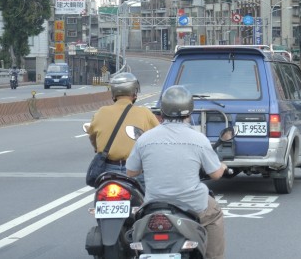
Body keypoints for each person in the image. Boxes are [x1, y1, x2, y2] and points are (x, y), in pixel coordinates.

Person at [126, 85, 227, 259]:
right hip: (193, 205)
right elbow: (216, 174)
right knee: (215, 214)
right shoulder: (199, 139)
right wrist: (223, 166)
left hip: (154, 205)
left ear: (162, 111)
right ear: (190, 112)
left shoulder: (145, 139)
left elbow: (131, 172)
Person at [87, 72, 159, 175]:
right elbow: (159, 136)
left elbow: (92, 136)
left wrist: (96, 148)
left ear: (113, 93)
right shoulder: (145, 113)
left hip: (107, 169)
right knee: (148, 190)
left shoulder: (101, 112)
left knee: (100, 190)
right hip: (134, 170)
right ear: (134, 93)